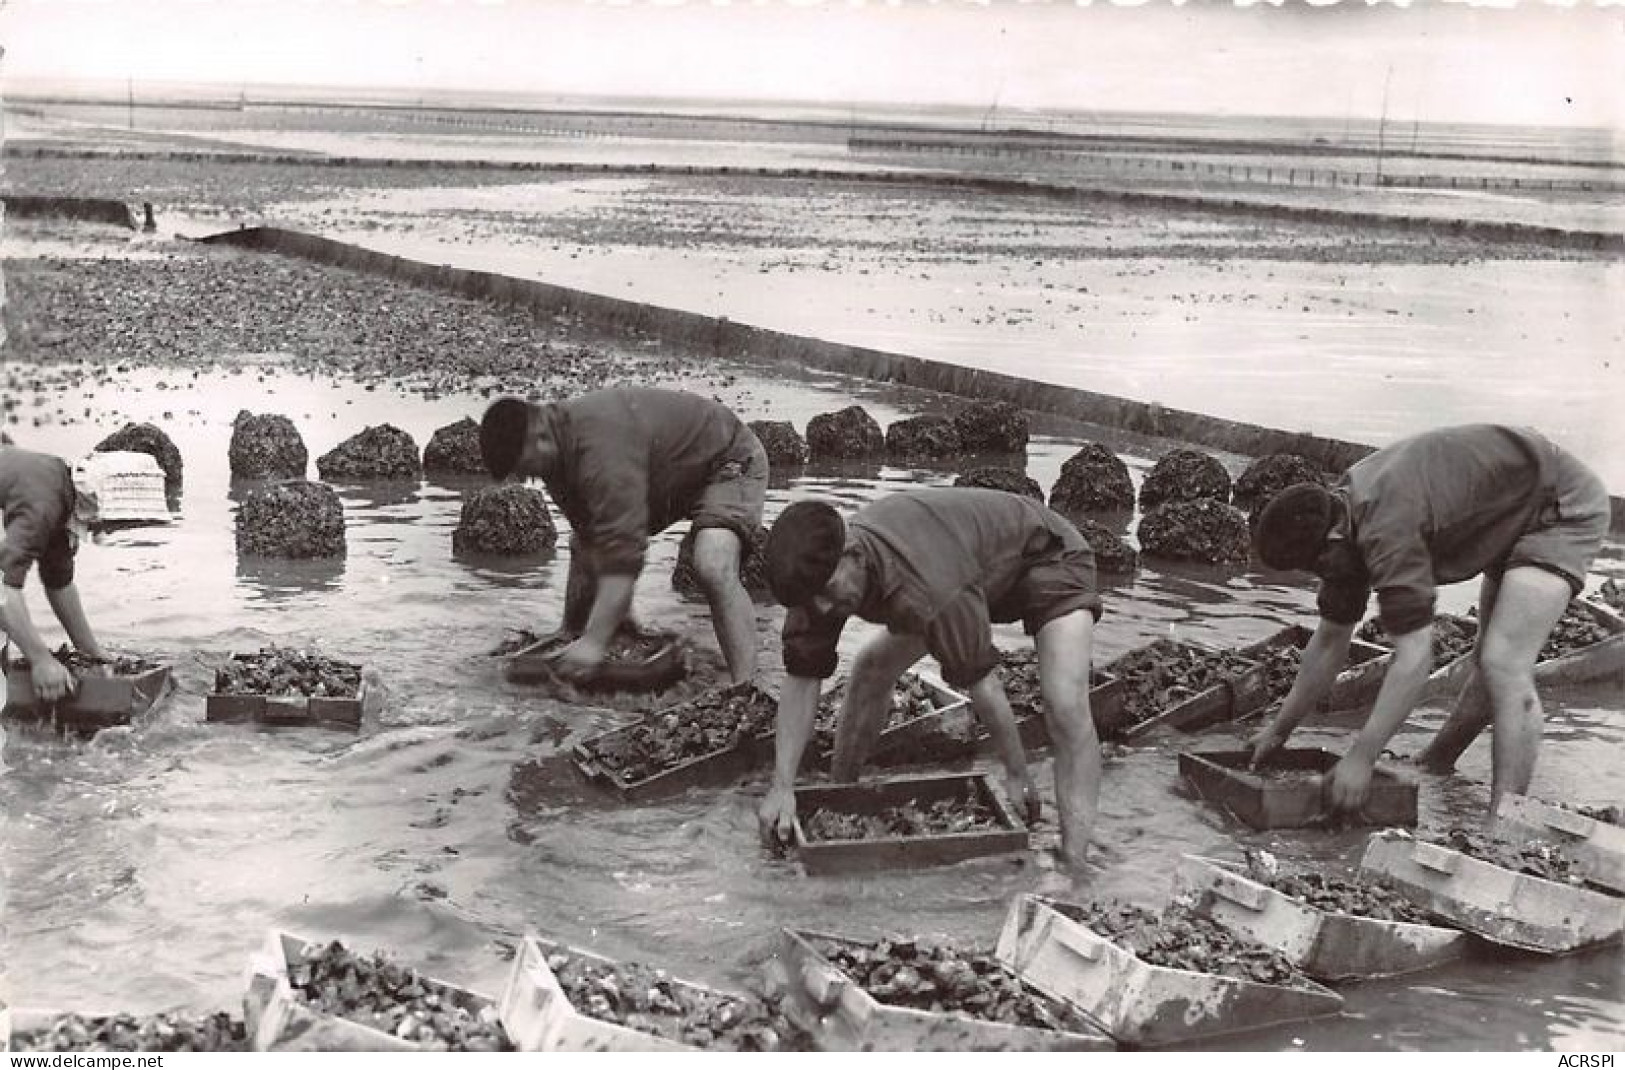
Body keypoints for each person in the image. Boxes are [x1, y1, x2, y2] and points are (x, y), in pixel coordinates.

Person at [1248, 424, 1609, 814]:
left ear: (1331, 542)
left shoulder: (1387, 529)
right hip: (1509, 502)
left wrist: (1362, 756)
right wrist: (1279, 730)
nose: (1323, 579)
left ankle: (1506, 825)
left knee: (1504, 662)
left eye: (1317, 569)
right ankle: (1436, 763)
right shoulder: (1342, 522)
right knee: (1488, 658)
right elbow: (1330, 640)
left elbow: (1416, 657)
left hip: (1560, 506)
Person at [756, 487, 1105, 866]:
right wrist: (782, 786)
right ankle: (842, 794)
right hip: (971, 573)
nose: (822, 608)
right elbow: (802, 678)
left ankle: (1075, 865)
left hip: (1049, 558)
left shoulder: (929, 584)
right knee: (871, 669)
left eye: (827, 592)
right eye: (811, 601)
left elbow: (983, 685)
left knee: (1065, 706)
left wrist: (1016, 772)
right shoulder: (814, 578)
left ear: (853, 554)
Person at [479, 387, 767, 685]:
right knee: (586, 544)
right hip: (669, 473)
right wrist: (585, 630)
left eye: (525, 468)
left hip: (728, 460)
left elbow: (624, 556)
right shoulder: (554, 451)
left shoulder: (600, 447)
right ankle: (587, 629)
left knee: (712, 564)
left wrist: (594, 643)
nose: (527, 479)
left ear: (538, 435)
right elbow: (593, 540)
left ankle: (745, 688)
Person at [1, 441, 111, 702]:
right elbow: (4, 589)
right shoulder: (44, 503)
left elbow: (59, 582)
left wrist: (91, 651)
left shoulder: (60, 488)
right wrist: (41, 660)